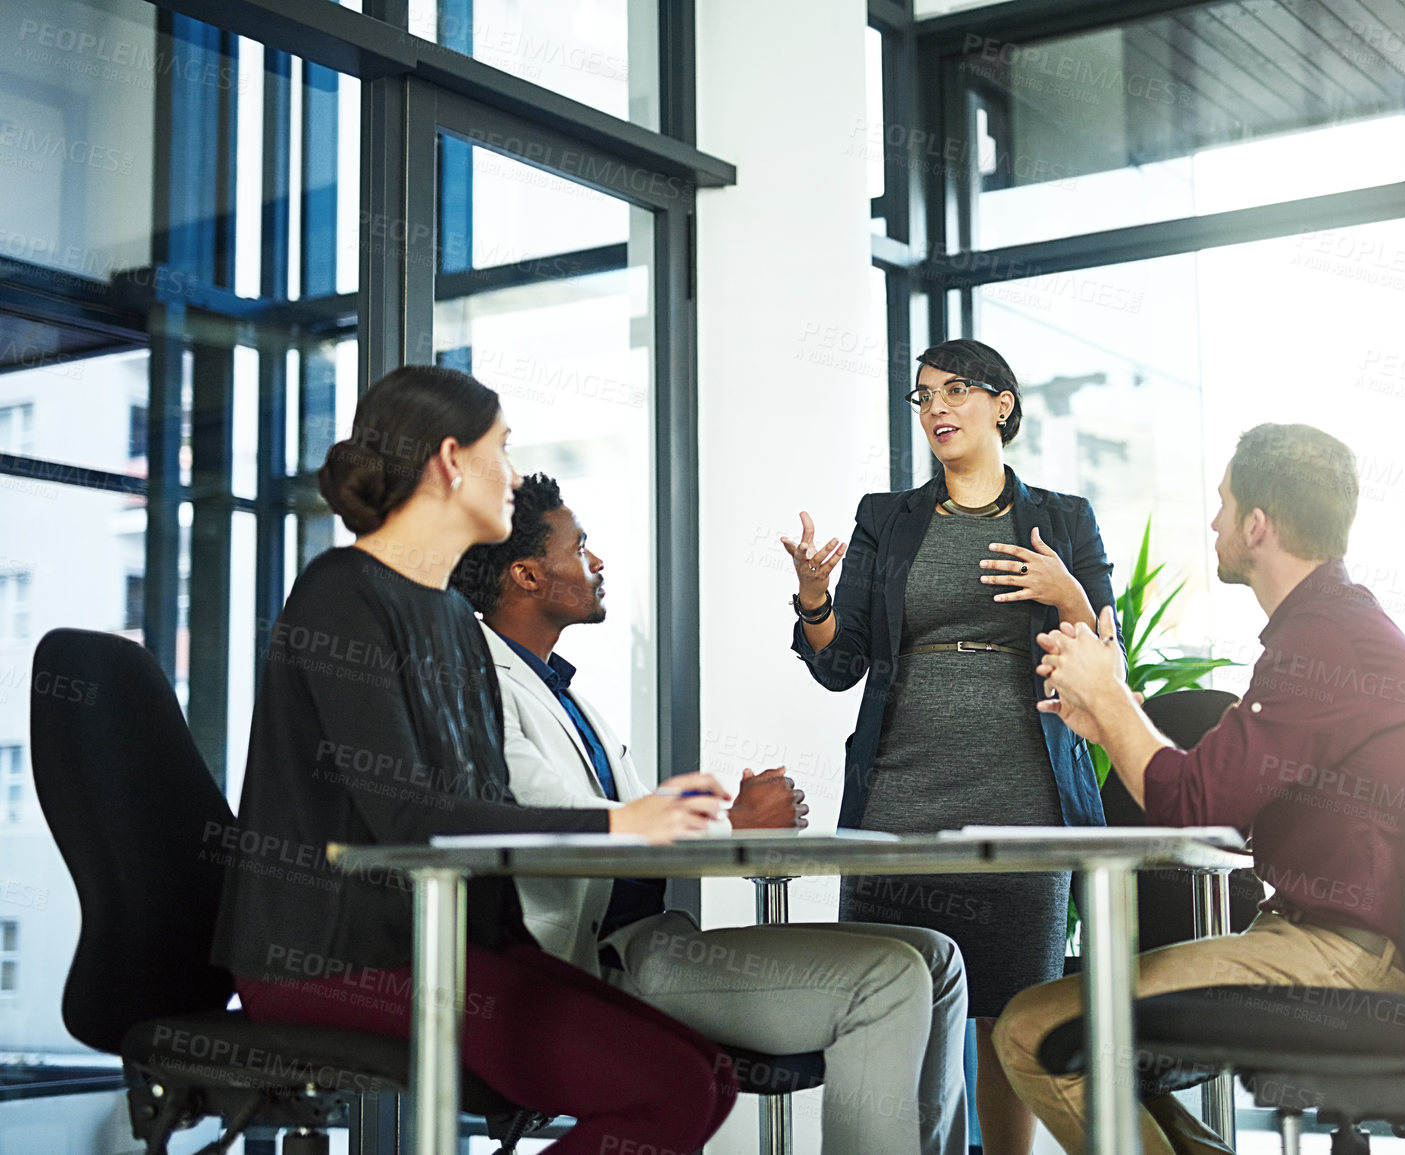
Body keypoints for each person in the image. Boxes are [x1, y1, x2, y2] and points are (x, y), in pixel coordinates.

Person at [212, 366, 737, 1155]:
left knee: (711, 1075)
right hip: (332, 956)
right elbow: (411, 818)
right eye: (504, 449)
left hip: (447, 945)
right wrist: (617, 821)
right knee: (668, 1088)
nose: (514, 473)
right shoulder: (341, 592)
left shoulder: (456, 621)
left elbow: (484, 803)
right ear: (451, 462)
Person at [452, 473, 971, 1155]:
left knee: (936, 956)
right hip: (598, 963)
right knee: (888, 977)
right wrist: (732, 827)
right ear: (525, 573)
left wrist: (734, 818)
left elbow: (631, 821)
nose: (599, 563)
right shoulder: (483, 683)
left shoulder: (567, 694)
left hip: (658, 940)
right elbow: (561, 822)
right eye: (581, 548)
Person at [993, 423, 1405, 1155]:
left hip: (1341, 957)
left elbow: (1190, 805)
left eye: (1224, 502)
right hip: (1333, 941)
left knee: (1033, 1030)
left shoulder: (1325, 644)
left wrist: (1109, 699)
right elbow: (1211, 786)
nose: (1214, 520)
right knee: (1087, 1043)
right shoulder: (1332, 629)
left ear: (1257, 525)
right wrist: (1110, 716)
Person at [784, 338, 1116, 1154]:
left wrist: (1064, 592)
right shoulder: (885, 519)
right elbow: (839, 663)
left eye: (956, 389)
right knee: (896, 1007)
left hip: (1022, 802)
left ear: (1003, 403)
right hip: (897, 800)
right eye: (922, 395)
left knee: (1011, 1014)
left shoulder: (1064, 519)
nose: (935, 406)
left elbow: (1108, 659)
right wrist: (814, 597)